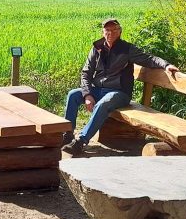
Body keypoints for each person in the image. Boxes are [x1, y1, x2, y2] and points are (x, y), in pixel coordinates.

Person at [62, 18, 179, 156]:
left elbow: (149, 59)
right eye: (107, 30)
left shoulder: (127, 49)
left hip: (119, 93)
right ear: (103, 32)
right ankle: (68, 135)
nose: (110, 33)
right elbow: (86, 73)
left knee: (103, 103)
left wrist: (166, 65)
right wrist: (87, 94)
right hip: (98, 89)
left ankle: (81, 141)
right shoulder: (97, 48)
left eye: (114, 30)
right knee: (73, 95)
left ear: (120, 32)